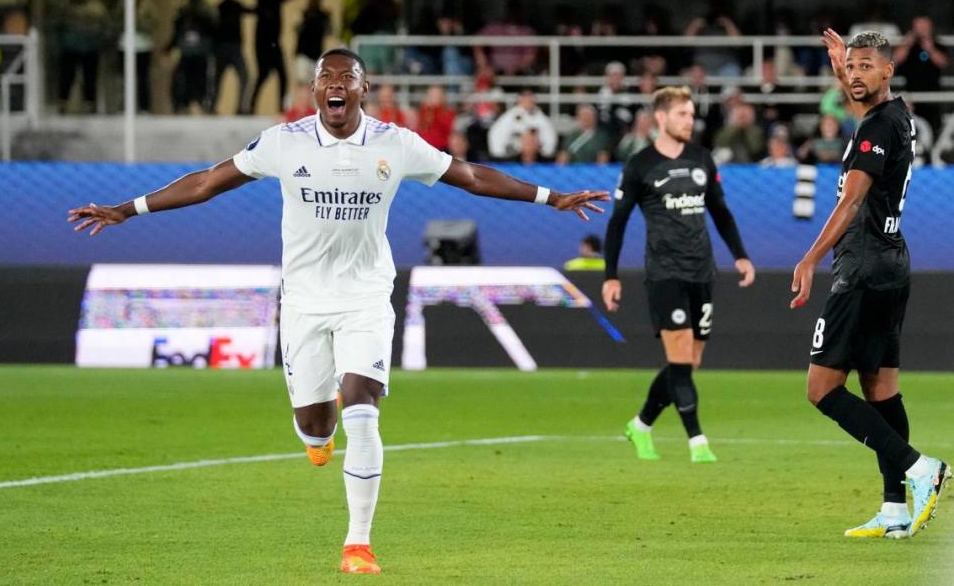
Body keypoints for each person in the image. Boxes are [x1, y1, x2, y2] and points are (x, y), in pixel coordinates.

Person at [67, 48, 612, 576]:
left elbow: (470, 176)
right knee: (315, 424)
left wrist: (550, 196)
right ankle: (316, 431)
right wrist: (127, 209)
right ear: (314, 91)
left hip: (367, 297)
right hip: (303, 301)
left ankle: (358, 543)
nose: (334, 84)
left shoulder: (395, 144)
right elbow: (209, 181)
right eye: (325, 77)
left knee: (362, 405)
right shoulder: (285, 143)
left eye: (345, 77)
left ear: (362, 88)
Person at [791, 30, 950, 540]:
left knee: (821, 390)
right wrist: (842, 70)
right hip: (891, 262)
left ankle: (919, 467)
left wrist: (811, 257)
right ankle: (895, 509)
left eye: (865, 67)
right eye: (851, 67)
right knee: (880, 388)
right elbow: (864, 109)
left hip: (859, 267)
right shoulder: (894, 115)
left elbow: (852, 200)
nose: (855, 74)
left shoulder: (876, 129)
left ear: (888, 71)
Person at [602, 86, 755, 463]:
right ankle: (697, 442)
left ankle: (640, 425)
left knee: (687, 362)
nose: (690, 121)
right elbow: (617, 224)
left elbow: (720, 211)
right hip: (664, 273)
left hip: (702, 271)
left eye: (691, 115)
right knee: (682, 362)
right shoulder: (639, 165)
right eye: (683, 114)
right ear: (661, 117)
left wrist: (740, 256)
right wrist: (611, 275)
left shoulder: (702, 159)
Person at [249, 0, 308, 113]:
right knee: (268, 75)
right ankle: (257, 106)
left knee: (273, 75)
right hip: (266, 44)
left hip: (271, 43)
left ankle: (262, 106)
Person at [215, 0, 253, 115]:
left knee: (244, 77)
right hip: (225, 47)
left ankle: (240, 108)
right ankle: (216, 106)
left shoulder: (228, 6)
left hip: (231, 47)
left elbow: (252, 11)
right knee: (218, 78)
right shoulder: (222, 7)